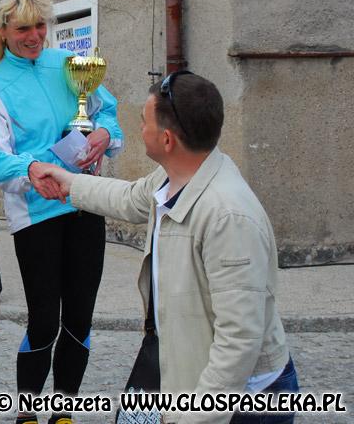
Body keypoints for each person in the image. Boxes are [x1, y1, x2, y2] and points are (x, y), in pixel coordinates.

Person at [35, 71, 298, 424]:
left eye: (145, 122)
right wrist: (70, 184)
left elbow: (238, 342)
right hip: (187, 375)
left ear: (168, 139)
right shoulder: (177, 176)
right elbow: (131, 198)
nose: (140, 128)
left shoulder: (228, 217)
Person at [0, 0, 124, 424]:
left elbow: (107, 111)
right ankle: (27, 414)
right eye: (23, 28)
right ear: (3, 31)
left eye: (40, 25)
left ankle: (63, 412)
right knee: (44, 320)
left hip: (85, 203)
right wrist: (32, 168)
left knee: (80, 318)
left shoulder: (67, 64)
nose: (34, 36)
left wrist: (104, 133)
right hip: (36, 214)